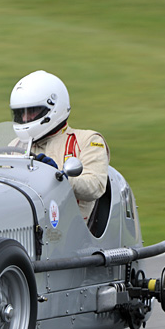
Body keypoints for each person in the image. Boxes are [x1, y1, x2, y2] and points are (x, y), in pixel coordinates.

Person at [9, 70, 110, 222]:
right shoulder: (15, 145)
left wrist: (57, 177)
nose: (25, 118)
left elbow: (95, 186)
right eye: (20, 113)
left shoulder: (87, 140)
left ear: (53, 107)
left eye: (32, 111)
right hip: (22, 221)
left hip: (69, 231)